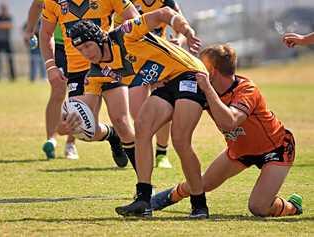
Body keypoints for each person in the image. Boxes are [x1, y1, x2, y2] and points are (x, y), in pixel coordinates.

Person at [69, 6, 209, 218]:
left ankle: (199, 204)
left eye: (88, 46)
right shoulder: (96, 74)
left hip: (190, 74)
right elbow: (86, 109)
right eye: (81, 50)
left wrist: (187, 32)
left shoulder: (125, 33)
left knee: (179, 139)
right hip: (165, 85)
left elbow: (164, 13)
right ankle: (144, 199)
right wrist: (73, 119)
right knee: (142, 128)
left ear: (99, 39)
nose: (86, 53)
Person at [150, 44, 303, 218]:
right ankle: (170, 196)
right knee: (202, 183)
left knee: (258, 207)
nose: (197, 71)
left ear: (212, 72)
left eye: (202, 67)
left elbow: (230, 122)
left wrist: (207, 89)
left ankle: (292, 206)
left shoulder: (246, 90)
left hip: (276, 148)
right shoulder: (205, 89)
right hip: (240, 150)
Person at [39, 0, 140, 167]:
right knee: (80, 130)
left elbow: (134, 20)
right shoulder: (52, 2)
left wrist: (124, 47)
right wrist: (51, 66)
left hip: (108, 64)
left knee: (121, 121)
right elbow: (45, 34)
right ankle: (111, 135)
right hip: (78, 72)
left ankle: (143, 183)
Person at [113, 0, 185, 169]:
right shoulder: (127, 3)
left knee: (164, 107)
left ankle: (161, 153)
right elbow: (115, 33)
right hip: (135, 62)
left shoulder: (166, 2)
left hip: (159, 58)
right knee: (137, 114)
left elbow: (179, 21)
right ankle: (144, 148)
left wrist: (179, 41)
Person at [24, 0, 79, 160]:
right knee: (58, 90)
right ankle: (51, 140)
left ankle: (71, 143)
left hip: (82, 42)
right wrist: (29, 30)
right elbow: (37, 5)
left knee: (78, 93)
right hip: (58, 44)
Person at [0, 3, 16, 81]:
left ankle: (12, 77)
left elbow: (10, 26)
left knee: (10, 59)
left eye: (4, 8)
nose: (3, 10)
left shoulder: (9, 17)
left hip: (7, 41)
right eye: (2, 8)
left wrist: (1, 25)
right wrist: (4, 25)